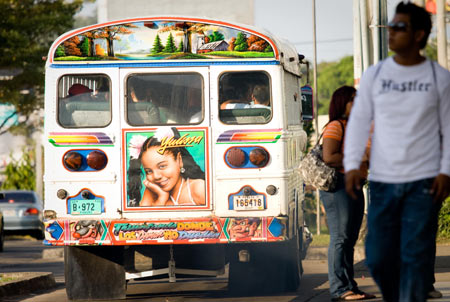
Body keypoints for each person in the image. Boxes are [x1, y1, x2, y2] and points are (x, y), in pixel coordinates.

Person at [344, 3, 450, 301]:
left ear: (418, 35)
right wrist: (352, 165)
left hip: (424, 182)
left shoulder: (439, 78)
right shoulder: (376, 75)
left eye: (399, 27)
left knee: (415, 257)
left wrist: (446, 170)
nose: (391, 32)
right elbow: (359, 122)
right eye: (390, 26)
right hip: (382, 182)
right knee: (377, 257)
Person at [319, 86, 374, 301]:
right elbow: (329, 157)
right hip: (338, 187)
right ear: (342, 103)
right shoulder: (335, 126)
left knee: (350, 238)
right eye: (353, 99)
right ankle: (339, 289)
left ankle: (350, 286)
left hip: (355, 184)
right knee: (340, 237)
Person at [127, 128, 206, 207]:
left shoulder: (198, 188)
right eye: (149, 171)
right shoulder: (152, 191)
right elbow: (143, 218)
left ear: (179, 160)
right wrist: (161, 198)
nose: (156, 176)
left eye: (162, 166)